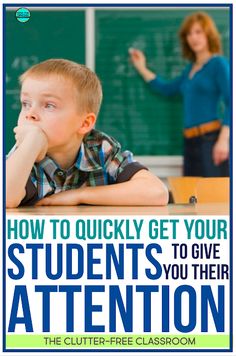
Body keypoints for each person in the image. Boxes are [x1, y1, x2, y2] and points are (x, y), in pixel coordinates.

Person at [6, 58, 168, 208]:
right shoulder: (24, 155)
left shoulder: (100, 148)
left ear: (85, 123)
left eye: (49, 105)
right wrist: (32, 141)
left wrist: (79, 195)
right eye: (26, 103)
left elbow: (157, 192)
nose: (30, 114)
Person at [129, 12, 230, 177]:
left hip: (210, 141)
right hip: (190, 142)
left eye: (198, 32)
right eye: (189, 33)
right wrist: (141, 67)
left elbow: (231, 101)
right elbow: (167, 89)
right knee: (191, 196)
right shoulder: (190, 69)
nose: (193, 37)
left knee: (211, 198)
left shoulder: (218, 64)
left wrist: (224, 141)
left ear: (208, 34)